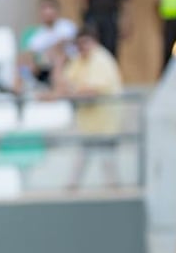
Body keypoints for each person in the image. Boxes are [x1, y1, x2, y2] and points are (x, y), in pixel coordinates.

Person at [43, 23, 124, 188]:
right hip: (88, 126)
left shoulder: (101, 59)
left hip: (105, 126)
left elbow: (92, 92)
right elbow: (62, 84)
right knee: (80, 168)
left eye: (85, 42)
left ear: (94, 41)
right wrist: (59, 60)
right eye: (78, 44)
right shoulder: (80, 61)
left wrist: (67, 94)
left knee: (108, 168)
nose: (82, 48)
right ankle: (72, 193)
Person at [15, 0, 76, 94]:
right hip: (45, 67)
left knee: (58, 55)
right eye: (44, 8)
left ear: (57, 11)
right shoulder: (38, 34)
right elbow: (29, 53)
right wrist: (31, 61)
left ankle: (58, 90)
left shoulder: (66, 26)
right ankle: (17, 91)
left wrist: (45, 55)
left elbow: (60, 45)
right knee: (22, 59)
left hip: (69, 64)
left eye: (50, 8)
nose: (47, 12)